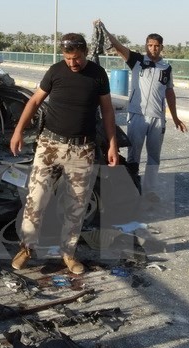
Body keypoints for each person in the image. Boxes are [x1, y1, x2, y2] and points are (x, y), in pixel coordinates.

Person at [10, 33, 119, 273]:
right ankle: (26, 248)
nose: (73, 63)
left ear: (85, 53)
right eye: (68, 58)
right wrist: (18, 131)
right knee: (36, 199)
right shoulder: (55, 71)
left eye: (77, 58)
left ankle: (68, 253)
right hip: (50, 146)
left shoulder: (98, 75)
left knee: (77, 205)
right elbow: (34, 102)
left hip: (82, 150)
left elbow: (108, 112)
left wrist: (112, 144)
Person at [97, 20, 187, 201]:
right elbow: (118, 46)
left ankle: (150, 191)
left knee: (154, 157)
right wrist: (104, 29)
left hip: (158, 118)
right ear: (146, 45)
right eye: (150, 45)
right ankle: (131, 188)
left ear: (161, 47)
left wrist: (175, 117)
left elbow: (169, 93)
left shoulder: (167, 68)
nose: (153, 49)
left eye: (156, 46)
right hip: (137, 116)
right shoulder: (137, 60)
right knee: (134, 155)